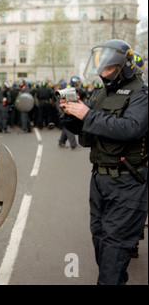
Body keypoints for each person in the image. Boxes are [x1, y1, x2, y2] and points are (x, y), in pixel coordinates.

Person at [61, 39, 147, 285]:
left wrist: (88, 114)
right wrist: (70, 115)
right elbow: (87, 132)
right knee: (101, 241)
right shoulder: (101, 93)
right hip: (100, 179)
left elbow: (131, 128)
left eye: (109, 68)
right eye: (101, 67)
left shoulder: (141, 93)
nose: (103, 72)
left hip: (128, 181)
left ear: (124, 67)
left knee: (114, 249)